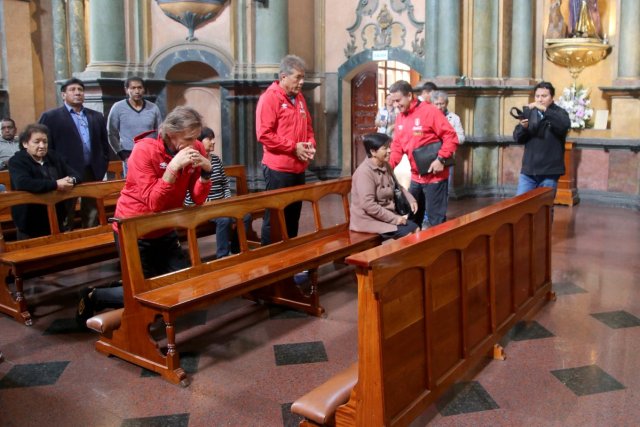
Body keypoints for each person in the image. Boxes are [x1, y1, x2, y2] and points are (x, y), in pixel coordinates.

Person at [76, 106, 212, 325]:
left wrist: (206, 173)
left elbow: (196, 199)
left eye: (196, 137)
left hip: (165, 226)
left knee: (184, 281)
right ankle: (94, 295)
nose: (194, 143)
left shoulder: (194, 146)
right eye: (188, 138)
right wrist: (172, 169)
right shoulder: (144, 151)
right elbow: (154, 203)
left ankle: (120, 288)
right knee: (142, 290)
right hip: (134, 228)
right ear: (170, 133)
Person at [256, 54, 316, 245]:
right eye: (297, 77)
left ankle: (290, 257)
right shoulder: (269, 98)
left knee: (293, 216)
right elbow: (264, 134)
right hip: (278, 169)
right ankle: (270, 260)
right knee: (275, 217)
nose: (302, 82)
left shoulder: (299, 99)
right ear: (283, 77)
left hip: (298, 167)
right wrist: (293, 147)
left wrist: (310, 145)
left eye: (303, 77)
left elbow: (308, 127)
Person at [38, 78, 110, 229]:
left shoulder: (96, 116)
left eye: (80, 90)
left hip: (92, 169)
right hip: (65, 171)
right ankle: (66, 237)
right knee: (65, 210)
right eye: (72, 90)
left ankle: (90, 237)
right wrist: (52, 170)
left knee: (91, 209)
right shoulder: (51, 117)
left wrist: (102, 163)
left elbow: (104, 143)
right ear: (63, 95)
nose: (77, 92)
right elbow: (45, 145)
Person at [388, 80, 459, 229]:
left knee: (435, 222)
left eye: (398, 100)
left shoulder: (430, 111)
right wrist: (387, 167)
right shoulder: (400, 116)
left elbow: (451, 136)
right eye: (393, 101)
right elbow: (397, 146)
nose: (395, 105)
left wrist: (441, 158)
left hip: (435, 177)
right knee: (412, 219)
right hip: (415, 177)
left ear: (409, 95)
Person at [184, 127, 249, 259]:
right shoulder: (192, 162)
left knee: (245, 215)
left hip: (222, 203)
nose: (213, 142)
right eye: (209, 138)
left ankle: (236, 250)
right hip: (202, 207)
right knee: (224, 219)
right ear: (199, 142)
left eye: (214, 138)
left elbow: (225, 184)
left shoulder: (216, 160)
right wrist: (210, 204)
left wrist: (226, 200)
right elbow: (187, 193)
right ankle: (222, 256)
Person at [8, 123, 81, 239]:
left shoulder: (53, 156)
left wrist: (71, 180)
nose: (42, 145)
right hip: (30, 220)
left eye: (45, 141)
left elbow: (76, 175)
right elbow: (23, 183)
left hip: (56, 215)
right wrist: (56, 184)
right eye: (37, 142)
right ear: (25, 143)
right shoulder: (16, 161)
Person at [350, 133, 418, 240]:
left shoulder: (386, 165)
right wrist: (395, 219)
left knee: (416, 229)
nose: (389, 151)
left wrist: (411, 199)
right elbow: (368, 205)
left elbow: (397, 186)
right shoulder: (364, 173)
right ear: (373, 152)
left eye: (389, 147)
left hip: (385, 216)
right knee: (409, 235)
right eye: (385, 148)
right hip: (368, 220)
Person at [513, 81, 571, 198]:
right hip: (529, 171)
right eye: (537, 96)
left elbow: (564, 126)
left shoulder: (559, 112)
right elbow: (517, 138)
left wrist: (545, 110)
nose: (540, 99)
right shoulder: (529, 112)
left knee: (545, 208)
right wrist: (523, 128)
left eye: (544, 96)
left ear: (552, 97)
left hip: (549, 171)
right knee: (520, 205)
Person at [107, 77, 163, 177]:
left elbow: (160, 132)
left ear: (144, 89)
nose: (137, 91)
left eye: (139, 88)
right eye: (133, 88)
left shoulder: (153, 108)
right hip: (129, 154)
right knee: (132, 186)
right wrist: (122, 155)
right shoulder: (118, 107)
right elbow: (111, 134)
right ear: (126, 90)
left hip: (150, 154)